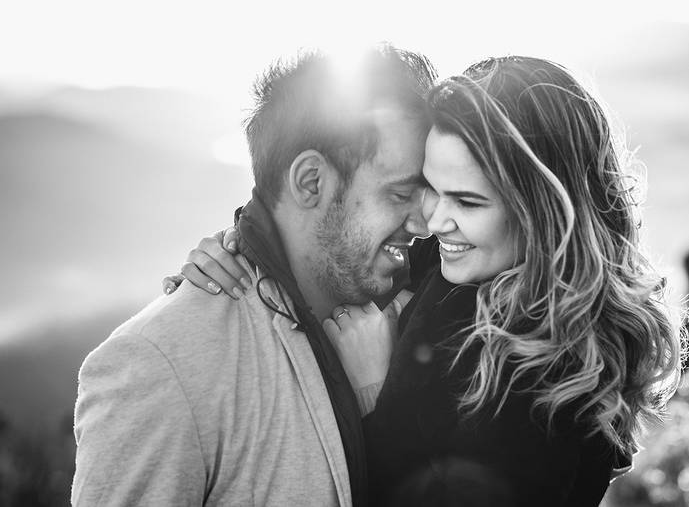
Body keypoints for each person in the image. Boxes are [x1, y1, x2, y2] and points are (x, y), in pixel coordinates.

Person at [176, 56, 689, 506]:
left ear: (542, 212)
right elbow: (332, 232)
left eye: (467, 201)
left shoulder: (555, 378)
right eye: (430, 188)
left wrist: (373, 394)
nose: (434, 221)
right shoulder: (469, 268)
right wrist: (243, 242)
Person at [72, 45, 436, 506]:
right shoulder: (160, 367)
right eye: (401, 195)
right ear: (310, 182)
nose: (425, 224)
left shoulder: (429, 299)